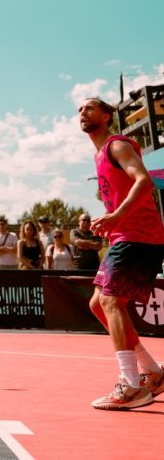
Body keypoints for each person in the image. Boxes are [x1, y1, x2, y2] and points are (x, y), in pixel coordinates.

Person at [78, 97, 164, 410]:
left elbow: (145, 182)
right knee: (98, 305)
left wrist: (117, 216)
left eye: (89, 107)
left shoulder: (117, 145)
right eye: (79, 109)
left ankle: (131, 385)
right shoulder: (99, 154)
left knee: (111, 301)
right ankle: (153, 373)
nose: (82, 113)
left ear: (106, 115)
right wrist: (110, 221)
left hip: (140, 235)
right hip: (123, 235)